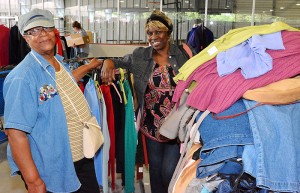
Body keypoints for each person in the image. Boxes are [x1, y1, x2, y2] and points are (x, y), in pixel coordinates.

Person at [3, 8, 102, 193]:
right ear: (26, 38)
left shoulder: (58, 63)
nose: (42, 34)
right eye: (34, 31)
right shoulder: (23, 77)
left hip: (80, 157)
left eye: (46, 28)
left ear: (54, 32)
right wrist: (33, 180)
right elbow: (15, 133)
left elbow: (62, 91)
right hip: (53, 167)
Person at [101, 10, 192, 193]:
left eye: (158, 32)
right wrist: (108, 62)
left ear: (168, 33)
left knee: (169, 172)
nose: (153, 37)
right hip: (151, 125)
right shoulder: (141, 55)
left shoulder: (183, 54)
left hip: (176, 125)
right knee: (156, 171)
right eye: (150, 33)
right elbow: (120, 62)